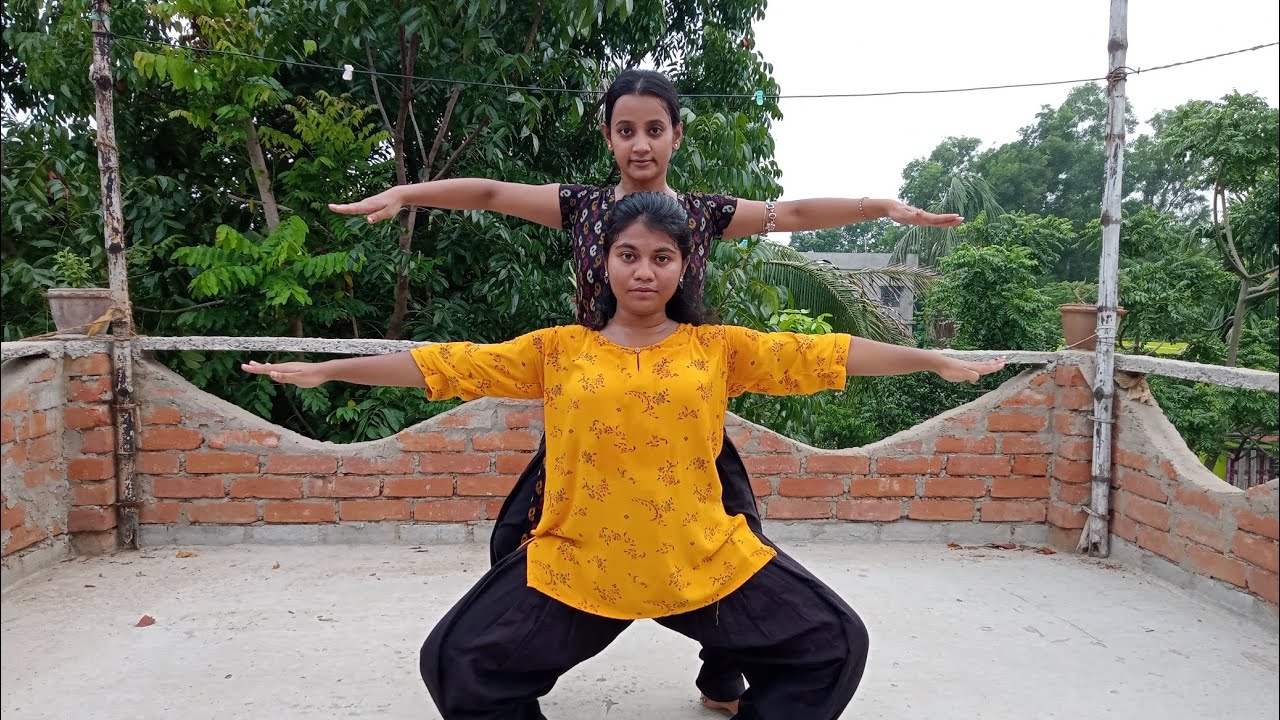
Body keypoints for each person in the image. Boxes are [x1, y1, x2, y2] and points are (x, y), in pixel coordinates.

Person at [330, 69, 965, 715]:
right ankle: (522, 641)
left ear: (675, 136)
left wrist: (878, 207)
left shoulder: (703, 216)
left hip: (683, 412)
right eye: (626, 130)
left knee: (735, 550)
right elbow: (491, 193)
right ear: (608, 136)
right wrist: (407, 192)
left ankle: (724, 675)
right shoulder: (581, 208)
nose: (640, 144)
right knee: (514, 548)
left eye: (654, 129)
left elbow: (795, 215)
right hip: (592, 408)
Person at [246, 192, 1004, 719]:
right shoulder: (557, 350)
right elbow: (445, 364)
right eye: (629, 254)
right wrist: (329, 369)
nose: (644, 271)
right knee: (457, 663)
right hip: (579, 561)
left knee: (833, 646)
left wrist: (931, 360)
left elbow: (828, 353)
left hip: (699, 557)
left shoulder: (718, 349)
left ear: (683, 267)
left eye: (662, 257)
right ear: (604, 262)